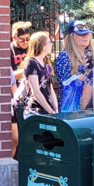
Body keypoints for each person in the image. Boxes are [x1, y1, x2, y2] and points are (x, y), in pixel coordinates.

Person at [53, 20, 94, 110]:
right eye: (81, 34)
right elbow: (66, 85)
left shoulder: (92, 56)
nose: (85, 36)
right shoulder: (64, 57)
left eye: (87, 34)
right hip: (72, 108)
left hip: (91, 105)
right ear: (71, 37)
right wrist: (87, 74)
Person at [19, 31, 58, 116]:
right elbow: (35, 92)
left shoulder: (45, 61)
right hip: (35, 111)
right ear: (42, 45)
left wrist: (56, 109)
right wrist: (51, 111)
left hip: (47, 110)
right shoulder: (31, 63)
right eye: (49, 42)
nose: (52, 44)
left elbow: (50, 88)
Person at [8, 21, 32, 155]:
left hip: (29, 94)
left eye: (28, 39)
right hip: (15, 94)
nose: (25, 42)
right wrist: (27, 70)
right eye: (22, 40)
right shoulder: (10, 50)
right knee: (14, 138)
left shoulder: (30, 50)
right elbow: (10, 75)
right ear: (14, 38)